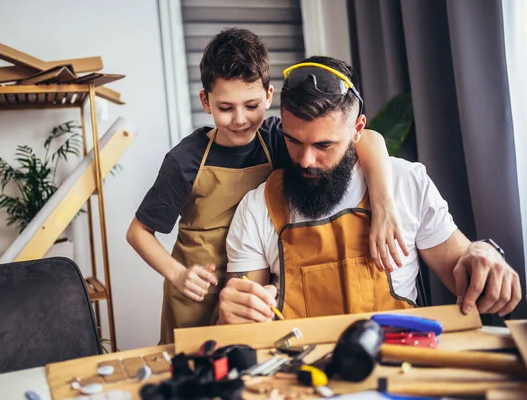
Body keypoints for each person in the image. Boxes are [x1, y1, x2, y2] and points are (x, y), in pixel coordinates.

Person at [127, 30, 406, 344]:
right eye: (225, 107)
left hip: (253, 289)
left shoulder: (278, 137)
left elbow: (368, 138)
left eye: (251, 105)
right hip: (196, 293)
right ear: (206, 101)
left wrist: (383, 203)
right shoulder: (185, 160)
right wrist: (178, 275)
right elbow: (138, 232)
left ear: (269, 96)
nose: (240, 119)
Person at [218, 55, 522, 324]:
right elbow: (244, 328)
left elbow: (464, 273)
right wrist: (230, 316)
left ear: (358, 129)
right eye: (293, 141)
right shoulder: (257, 207)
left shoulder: (406, 183)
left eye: (325, 145)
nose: (306, 160)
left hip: (401, 364)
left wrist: (484, 252)